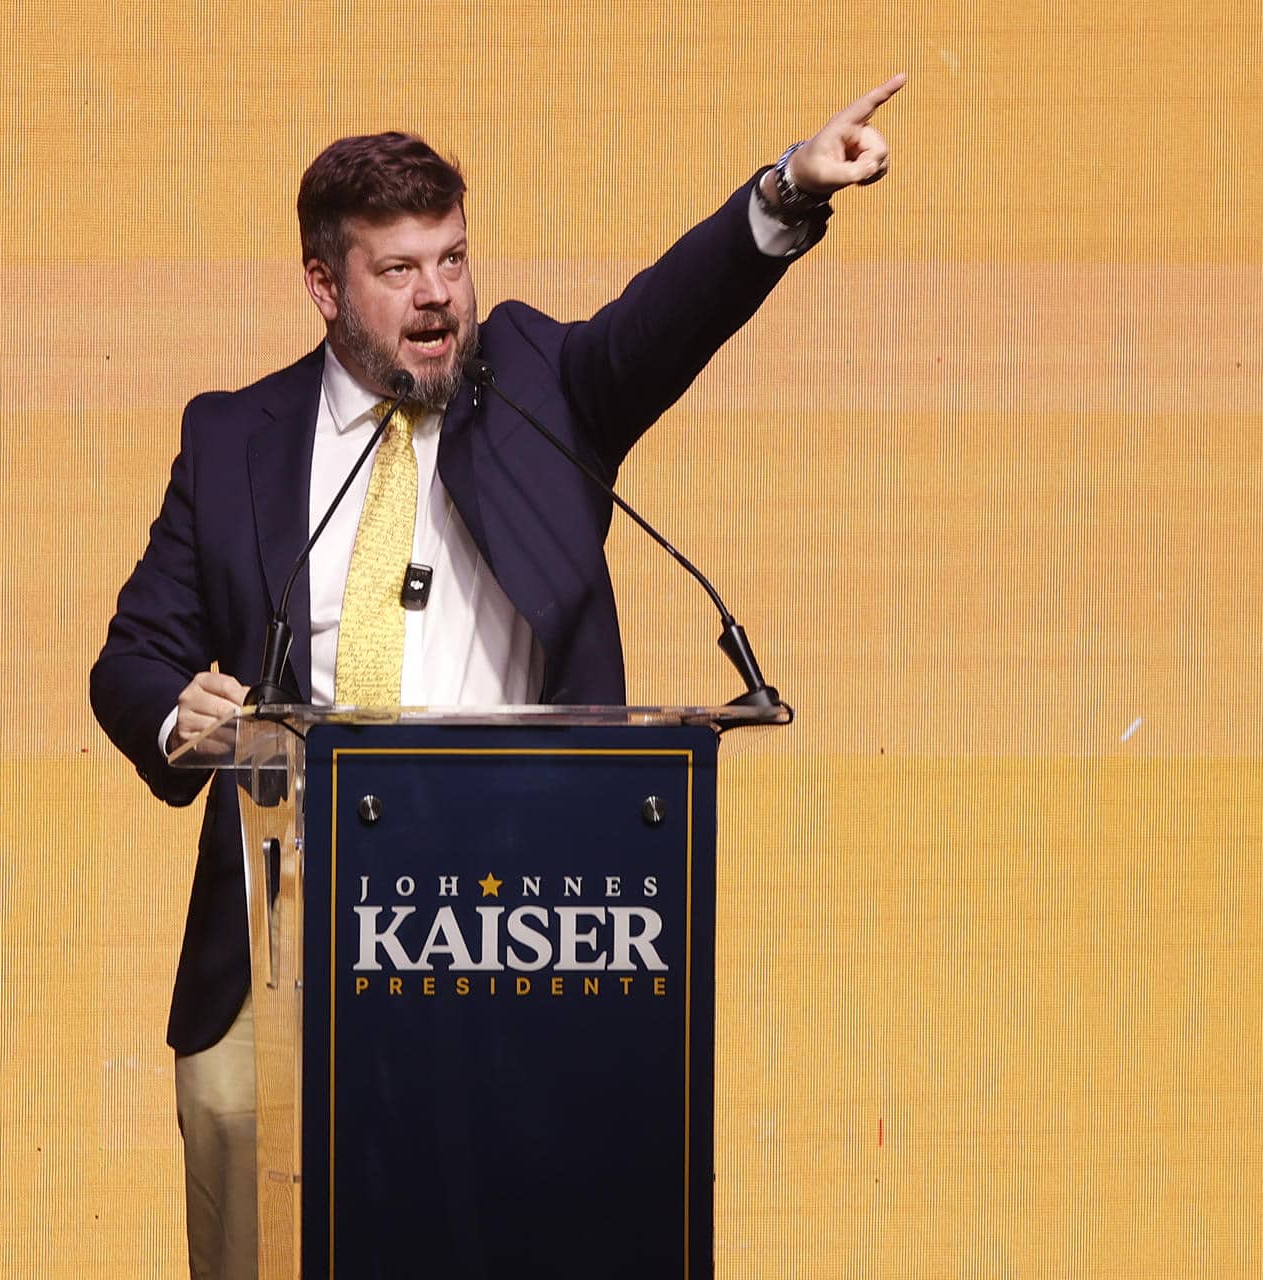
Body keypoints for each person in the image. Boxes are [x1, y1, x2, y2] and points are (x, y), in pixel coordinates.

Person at [90, 74, 905, 1280]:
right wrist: (179, 713)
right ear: (324, 284)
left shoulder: (539, 387)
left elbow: (664, 321)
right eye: (399, 269)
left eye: (453, 259)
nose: (437, 295)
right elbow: (132, 657)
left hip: (512, 919)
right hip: (288, 929)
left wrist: (785, 191)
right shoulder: (232, 439)